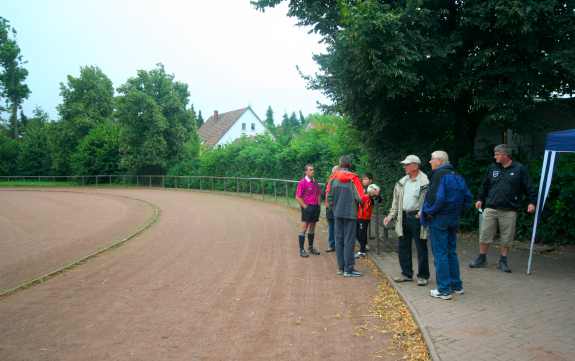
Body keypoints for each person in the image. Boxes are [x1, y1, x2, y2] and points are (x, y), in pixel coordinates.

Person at [469, 144, 537, 273]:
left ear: (505, 155)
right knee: (485, 234)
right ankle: (482, 258)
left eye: (497, 154)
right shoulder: (492, 168)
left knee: (507, 237)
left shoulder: (519, 169)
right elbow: (485, 185)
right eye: (495, 154)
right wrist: (480, 199)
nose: (495, 157)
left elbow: (529, 187)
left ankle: (503, 261)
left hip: (509, 209)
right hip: (490, 207)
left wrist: (532, 202)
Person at [421, 151, 472, 300]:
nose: (430, 162)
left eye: (432, 159)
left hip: (439, 219)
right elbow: (467, 198)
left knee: (440, 253)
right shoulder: (457, 175)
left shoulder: (438, 175)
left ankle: (443, 289)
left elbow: (437, 198)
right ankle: (457, 285)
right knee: (451, 251)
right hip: (453, 219)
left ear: (440, 161)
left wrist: (428, 212)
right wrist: (457, 212)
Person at [383, 155, 430, 286]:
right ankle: (406, 274)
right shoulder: (402, 181)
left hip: (417, 217)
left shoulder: (425, 181)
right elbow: (396, 201)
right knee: (403, 246)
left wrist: (423, 213)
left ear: (415, 166)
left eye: (407, 164)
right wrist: (390, 215)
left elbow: (428, 201)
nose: (404, 167)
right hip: (403, 217)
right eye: (404, 164)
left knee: (421, 247)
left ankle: (423, 276)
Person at [327, 155, 376, 277]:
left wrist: (334, 209)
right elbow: (360, 197)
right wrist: (370, 195)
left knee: (339, 240)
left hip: (337, 214)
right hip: (351, 214)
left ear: (340, 164)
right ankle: (348, 269)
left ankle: (341, 268)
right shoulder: (354, 178)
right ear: (350, 165)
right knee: (349, 241)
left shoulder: (333, 178)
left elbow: (329, 196)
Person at [295, 164, 322, 257]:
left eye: (313, 169)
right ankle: (301, 250)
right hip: (307, 207)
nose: (312, 171)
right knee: (304, 227)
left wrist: (319, 205)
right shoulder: (302, 182)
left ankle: (310, 247)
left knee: (312, 227)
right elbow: (298, 197)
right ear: (306, 172)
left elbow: (318, 194)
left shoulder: (315, 182)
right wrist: (305, 207)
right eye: (310, 170)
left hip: (315, 207)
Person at [355, 172, 382, 258]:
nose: (364, 180)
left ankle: (362, 251)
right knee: (357, 233)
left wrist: (377, 195)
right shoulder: (361, 189)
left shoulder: (373, 189)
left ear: (370, 180)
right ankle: (364, 245)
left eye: (366, 179)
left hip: (365, 216)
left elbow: (379, 200)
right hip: (358, 215)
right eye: (363, 179)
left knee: (361, 233)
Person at [324, 165, 339, 252]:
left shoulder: (340, 181)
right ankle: (332, 245)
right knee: (332, 226)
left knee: (336, 226)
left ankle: (335, 245)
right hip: (330, 208)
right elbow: (323, 194)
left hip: (337, 207)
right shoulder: (329, 182)